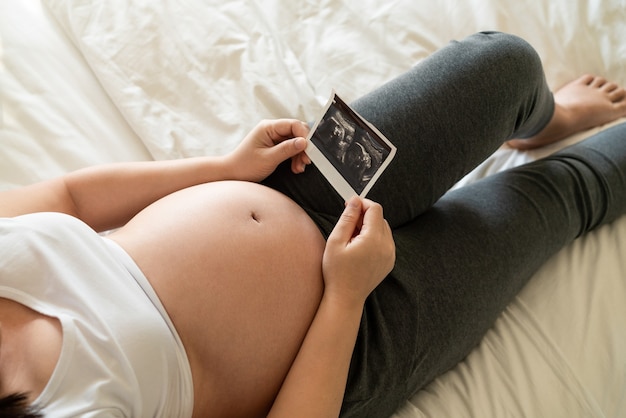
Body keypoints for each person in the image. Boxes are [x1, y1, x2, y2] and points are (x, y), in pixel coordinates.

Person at [1, 31, 626, 418]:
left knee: (505, 66)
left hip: (303, 184)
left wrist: (225, 167)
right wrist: (347, 296)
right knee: (564, 196)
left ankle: (548, 119)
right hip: (354, 340)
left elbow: (70, 197)